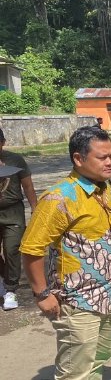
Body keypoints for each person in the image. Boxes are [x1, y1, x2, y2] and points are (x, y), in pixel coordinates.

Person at [20, 126, 111, 379]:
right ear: (78, 159)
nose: (110, 162)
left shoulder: (104, 190)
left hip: (109, 297)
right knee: (76, 372)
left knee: (98, 360)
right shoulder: (59, 198)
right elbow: (32, 248)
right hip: (78, 303)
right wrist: (42, 293)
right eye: (102, 157)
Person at [0, 127, 37, 310]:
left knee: (12, 249)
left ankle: (10, 289)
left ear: (3, 142)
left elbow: (28, 186)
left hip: (13, 211)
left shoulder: (15, 160)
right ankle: (3, 279)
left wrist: (35, 209)